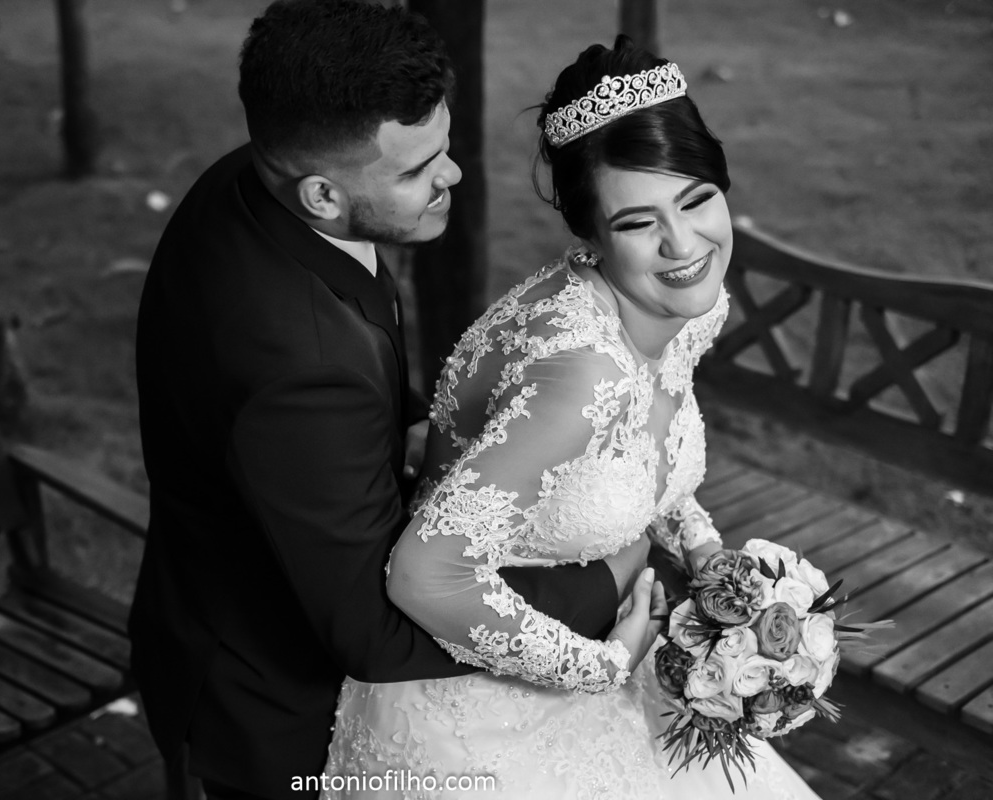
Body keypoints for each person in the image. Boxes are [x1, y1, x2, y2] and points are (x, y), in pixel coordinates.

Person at [128, 4, 653, 799]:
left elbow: (352, 352)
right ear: (320, 195)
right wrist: (606, 581)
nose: (453, 176)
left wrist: (408, 422)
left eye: (444, 146)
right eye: (415, 172)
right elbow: (370, 631)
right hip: (275, 706)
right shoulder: (299, 372)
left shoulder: (257, 176)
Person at [322, 36, 823, 799]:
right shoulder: (583, 371)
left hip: (601, 618)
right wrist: (603, 665)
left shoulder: (689, 305)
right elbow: (424, 574)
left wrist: (715, 567)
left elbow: (643, 464)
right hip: (473, 708)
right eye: (638, 223)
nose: (683, 244)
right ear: (589, 235)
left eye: (696, 199)